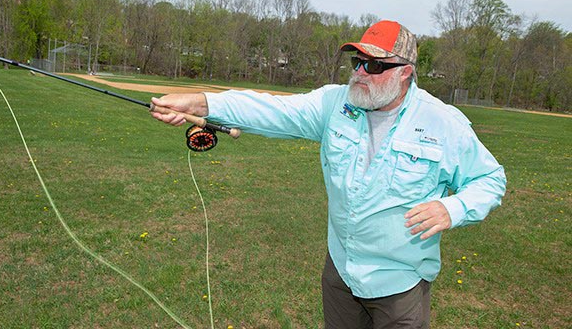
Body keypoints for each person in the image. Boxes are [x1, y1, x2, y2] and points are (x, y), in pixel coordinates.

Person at [150, 20, 506, 328]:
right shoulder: (336, 104)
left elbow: (490, 179)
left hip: (400, 284)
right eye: (357, 62)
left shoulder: (442, 122)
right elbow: (272, 109)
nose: (360, 73)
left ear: (405, 72)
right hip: (341, 272)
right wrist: (201, 103)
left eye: (374, 66)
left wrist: (452, 210)